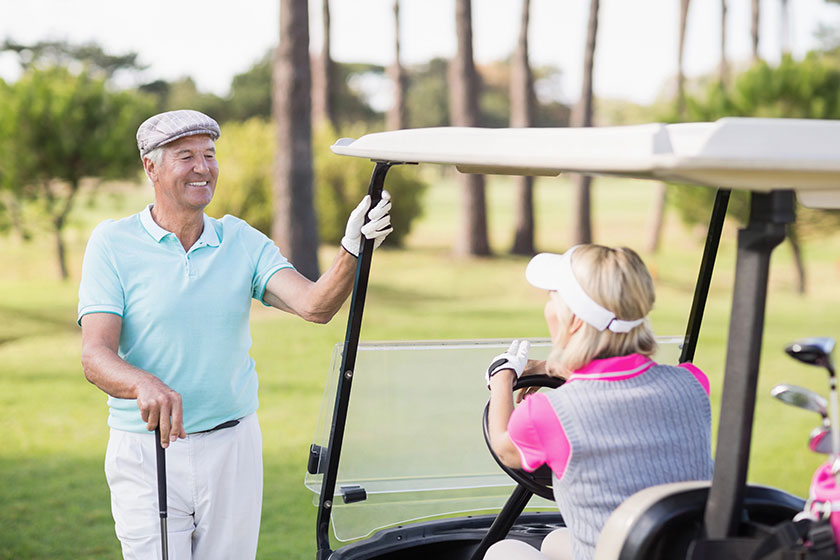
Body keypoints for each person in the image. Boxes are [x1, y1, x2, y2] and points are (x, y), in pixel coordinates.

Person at [78, 109, 393, 559]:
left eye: (209, 154)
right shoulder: (113, 243)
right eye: (186, 156)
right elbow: (95, 354)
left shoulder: (240, 240)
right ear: (151, 167)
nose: (203, 168)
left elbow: (315, 306)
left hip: (233, 445)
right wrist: (141, 382)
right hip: (149, 451)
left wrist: (352, 247)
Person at [483, 245, 713, 560]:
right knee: (555, 542)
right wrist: (549, 367)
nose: (548, 307)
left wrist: (502, 376)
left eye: (553, 297)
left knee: (503, 551)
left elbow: (504, 446)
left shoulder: (547, 414)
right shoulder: (692, 382)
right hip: (676, 551)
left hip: (619, 552)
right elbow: (622, 383)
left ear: (574, 320)